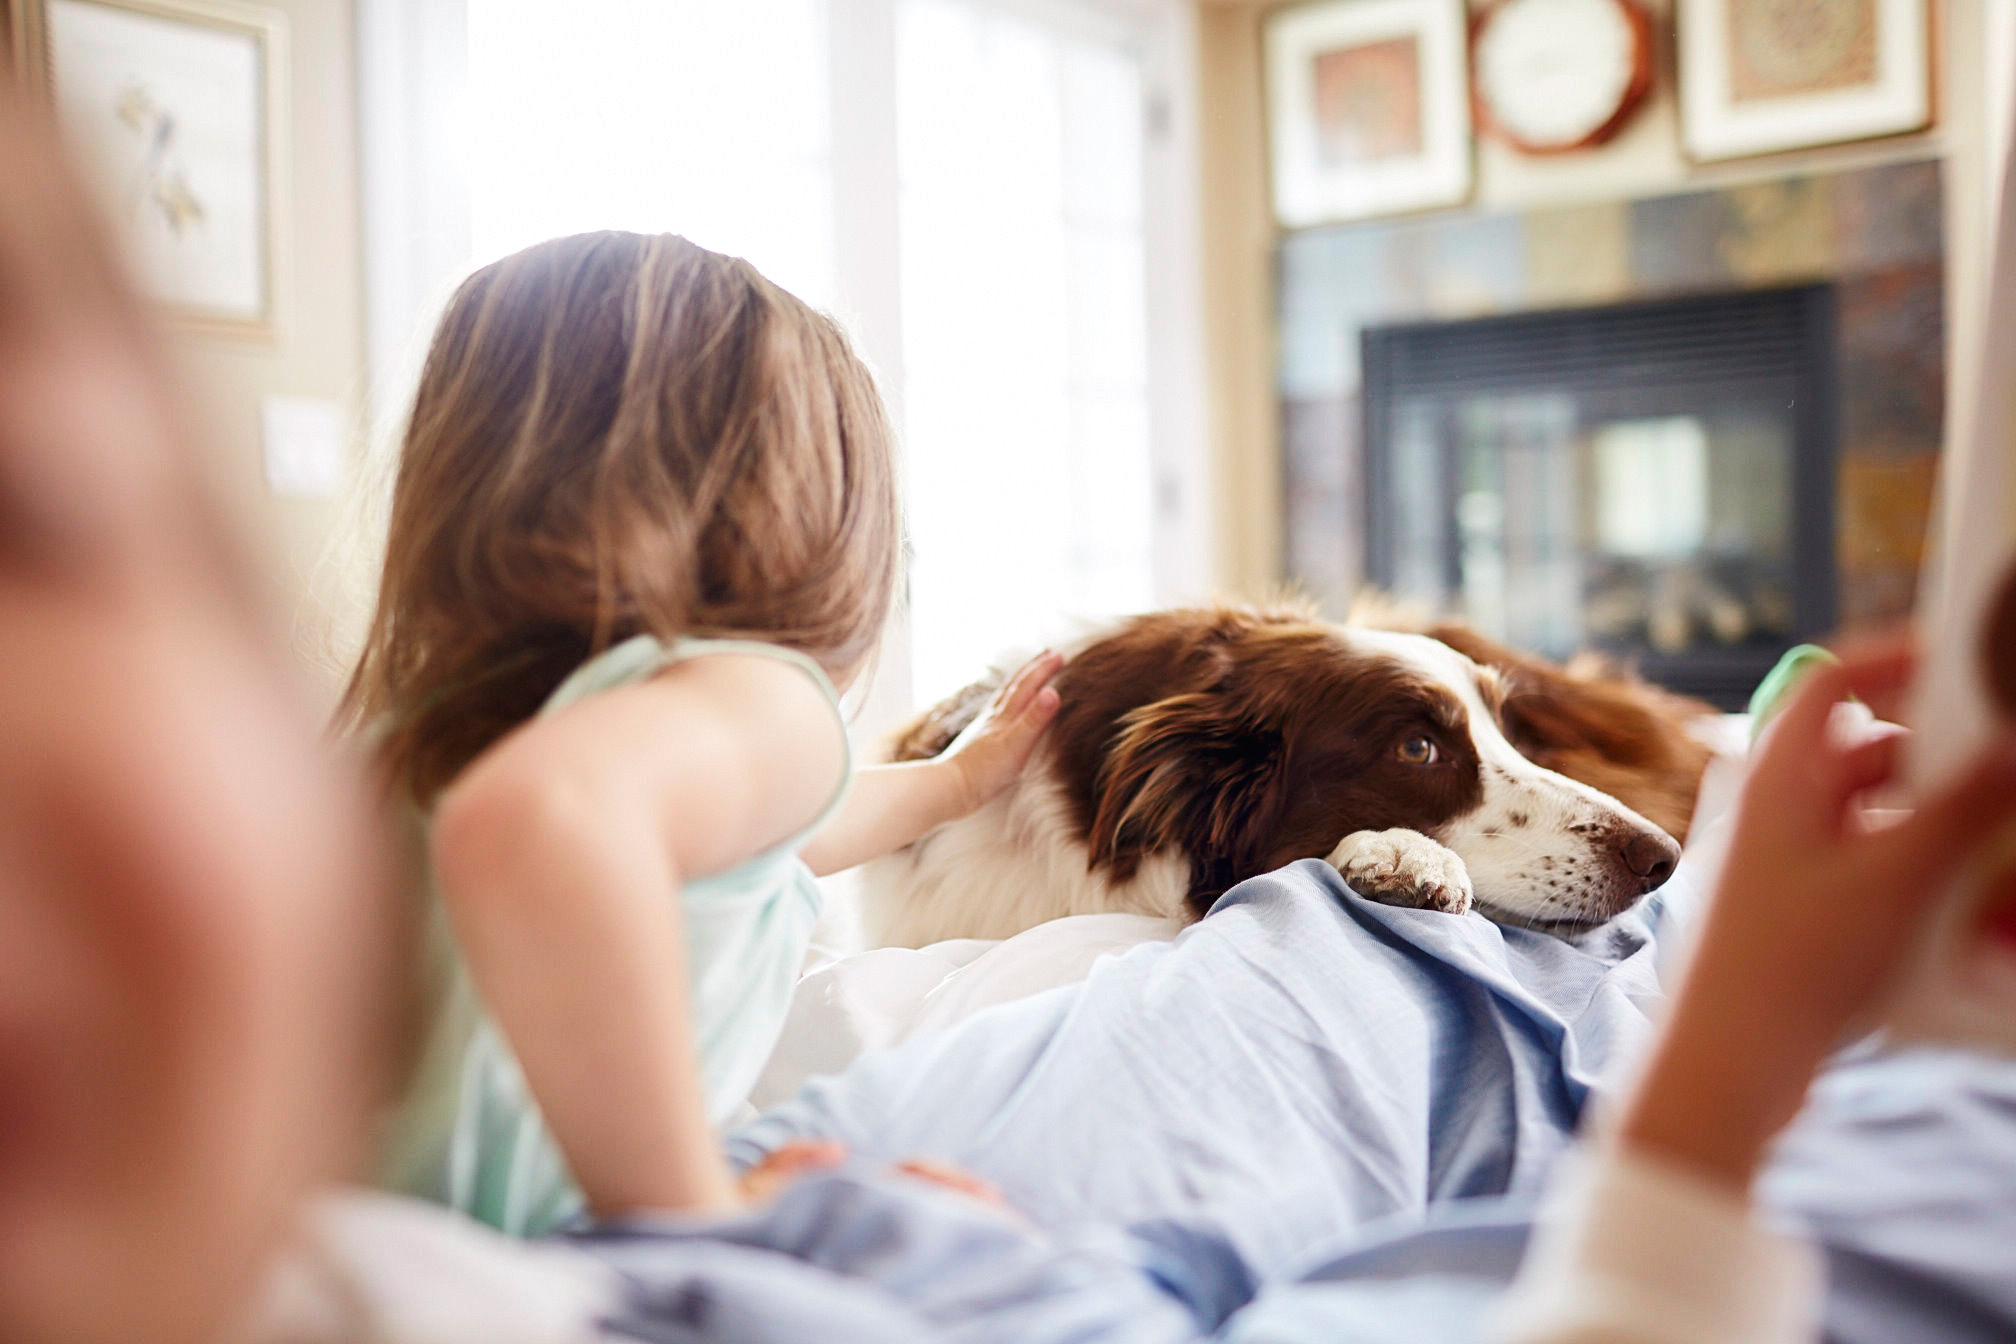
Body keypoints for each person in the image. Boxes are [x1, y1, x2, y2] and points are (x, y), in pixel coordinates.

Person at [336, 229, 1067, 1234]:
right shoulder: (764, 699)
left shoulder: (427, 736)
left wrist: (955, 783)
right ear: (812, 515)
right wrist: (689, 1203)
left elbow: (763, 838)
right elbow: (542, 822)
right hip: (509, 1266)